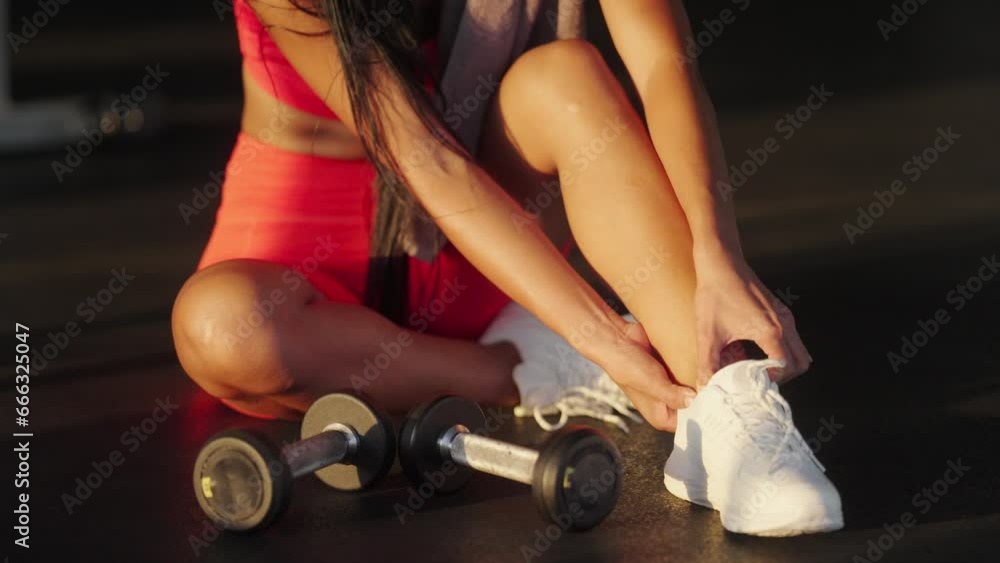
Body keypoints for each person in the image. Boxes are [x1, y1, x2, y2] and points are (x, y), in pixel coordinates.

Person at [172, 0, 841, 535]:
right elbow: (424, 159)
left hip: (484, 228)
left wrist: (718, 253)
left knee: (566, 76)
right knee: (220, 327)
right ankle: (527, 368)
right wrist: (601, 336)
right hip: (308, 249)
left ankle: (723, 395)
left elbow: (666, 69)